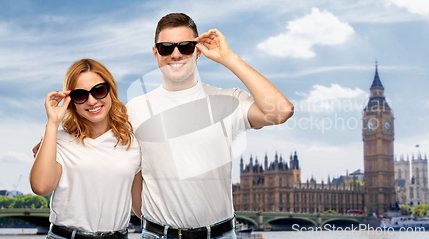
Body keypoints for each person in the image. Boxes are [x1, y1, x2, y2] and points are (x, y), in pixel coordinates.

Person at [127, 13, 294, 239]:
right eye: (166, 48)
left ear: (198, 51)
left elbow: (281, 111)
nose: (176, 54)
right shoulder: (133, 110)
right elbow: (133, 174)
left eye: (185, 46)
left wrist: (228, 57)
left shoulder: (228, 100)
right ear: (156, 53)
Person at [30, 59, 142, 239]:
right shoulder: (59, 140)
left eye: (99, 90)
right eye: (80, 95)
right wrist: (52, 123)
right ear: (71, 101)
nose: (91, 101)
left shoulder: (132, 143)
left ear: (110, 90)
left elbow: (140, 208)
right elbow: (41, 187)